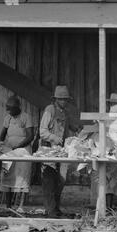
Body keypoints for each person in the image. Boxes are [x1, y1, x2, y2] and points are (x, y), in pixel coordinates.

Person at [39, 85, 78, 217]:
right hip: (48, 151)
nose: (64, 101)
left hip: (61, 152)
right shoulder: (49, 110)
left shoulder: (65, 113)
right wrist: (55, 138)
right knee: (49, 181)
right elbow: (42, 132)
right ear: (56, 99)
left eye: (66, 99)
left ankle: (55, 208)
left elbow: (68, 130)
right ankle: (50, 211)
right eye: (61, 99)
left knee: (61, 180)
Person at [0, 96, 34, 212]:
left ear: (18, 108)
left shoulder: (26, 117)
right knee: (8, 176)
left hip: (23, 151)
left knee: (22, 178)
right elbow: (2, 134)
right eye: (8, 110)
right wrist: (1, 146)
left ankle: (20, 206)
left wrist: (19, 146)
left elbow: (30, 136)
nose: (9, 112)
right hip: (10, 151)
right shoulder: (8, 118)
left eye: (12, 110)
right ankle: (8, 206)